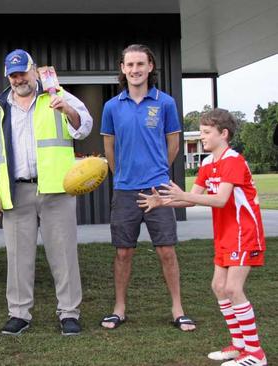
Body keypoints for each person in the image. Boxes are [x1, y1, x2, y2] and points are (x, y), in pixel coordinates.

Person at [138, 108, 267, 366]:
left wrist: (183, 195)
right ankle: (238, 346)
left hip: (244, 232)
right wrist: (161, 201)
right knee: (218, 287)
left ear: (224, 134)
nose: (202, 136)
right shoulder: (208, 164)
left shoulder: (233, 161)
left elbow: (219, 200)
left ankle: (256, 354)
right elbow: (190, 198)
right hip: (224, 234)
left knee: (233, 288)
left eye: (207, 132)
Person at [0, 49, 93, 336]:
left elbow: (85, 127)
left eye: (23, 72)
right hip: (17, 190)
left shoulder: (57, 94)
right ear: (7, 76)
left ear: (34, 71)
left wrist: (67, 109)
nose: (19, 79)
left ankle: (69, 312)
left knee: (64, 254)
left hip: (57, 189)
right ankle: (19, 313)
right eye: (13, 74)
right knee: (17, 256)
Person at [99, 44, 196, 332]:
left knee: (166, 251)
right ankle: (119, 308)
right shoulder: (112, 106)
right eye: (129, 65)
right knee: (123, 253)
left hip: (158, 190)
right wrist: (124, 176)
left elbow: (174, 144)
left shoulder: (165, 103)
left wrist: (157, 173)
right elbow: (109, 148)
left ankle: (178, 309)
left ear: (150, 66)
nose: (135, 70)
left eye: (140, 64)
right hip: (125, 190)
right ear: (123, 68)